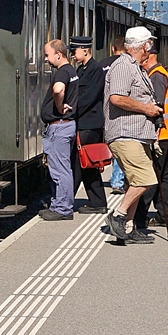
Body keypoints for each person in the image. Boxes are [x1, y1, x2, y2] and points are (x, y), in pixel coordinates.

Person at [103, 27, 164, 243]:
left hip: (137, 134)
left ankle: (128, 229)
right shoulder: (122, 66)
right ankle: (118, 216)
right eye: (150, 44)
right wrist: (146, 109)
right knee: (145, 178)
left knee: (134, 181)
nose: (151, 48)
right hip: (125, 132)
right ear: (144, 45)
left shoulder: (135, 67)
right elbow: (117, 98)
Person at [137, 43, 168, 227]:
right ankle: (166, 215)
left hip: (160, 133)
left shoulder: (156, 76)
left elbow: (156, 107)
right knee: (163, 174)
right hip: (166, 131)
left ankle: (140, 216)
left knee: (151, 173)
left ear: (148, 54)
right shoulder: (158, 73)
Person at [39, 39, 80, 220]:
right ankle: (58, 204)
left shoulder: (62, 72)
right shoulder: (72, 71)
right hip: (65, 127)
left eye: (47, 55)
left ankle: (63, 209)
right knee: (62, 168)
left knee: (60, 169)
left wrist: (59, 105)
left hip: (59, 127)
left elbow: (58, 90)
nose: (46, 60)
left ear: (58, 54)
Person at [69, 35, 108, 214]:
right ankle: (97, 201)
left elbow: (88, 97)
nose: (72, 55)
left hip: (89, 124)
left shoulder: (95, 70)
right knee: (88, 163)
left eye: (74, 51)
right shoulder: (83, 69)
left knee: (78, 163)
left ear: (85, 50)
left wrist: (70, 112)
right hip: (85, 123)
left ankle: (66, 203)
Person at [105, 37, 128, 194]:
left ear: (113, 48)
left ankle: (116, 180)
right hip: (122, 112)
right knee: (122, 148)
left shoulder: (103, 65)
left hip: (105, 110)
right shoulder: (128, 65)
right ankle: (118, 181)